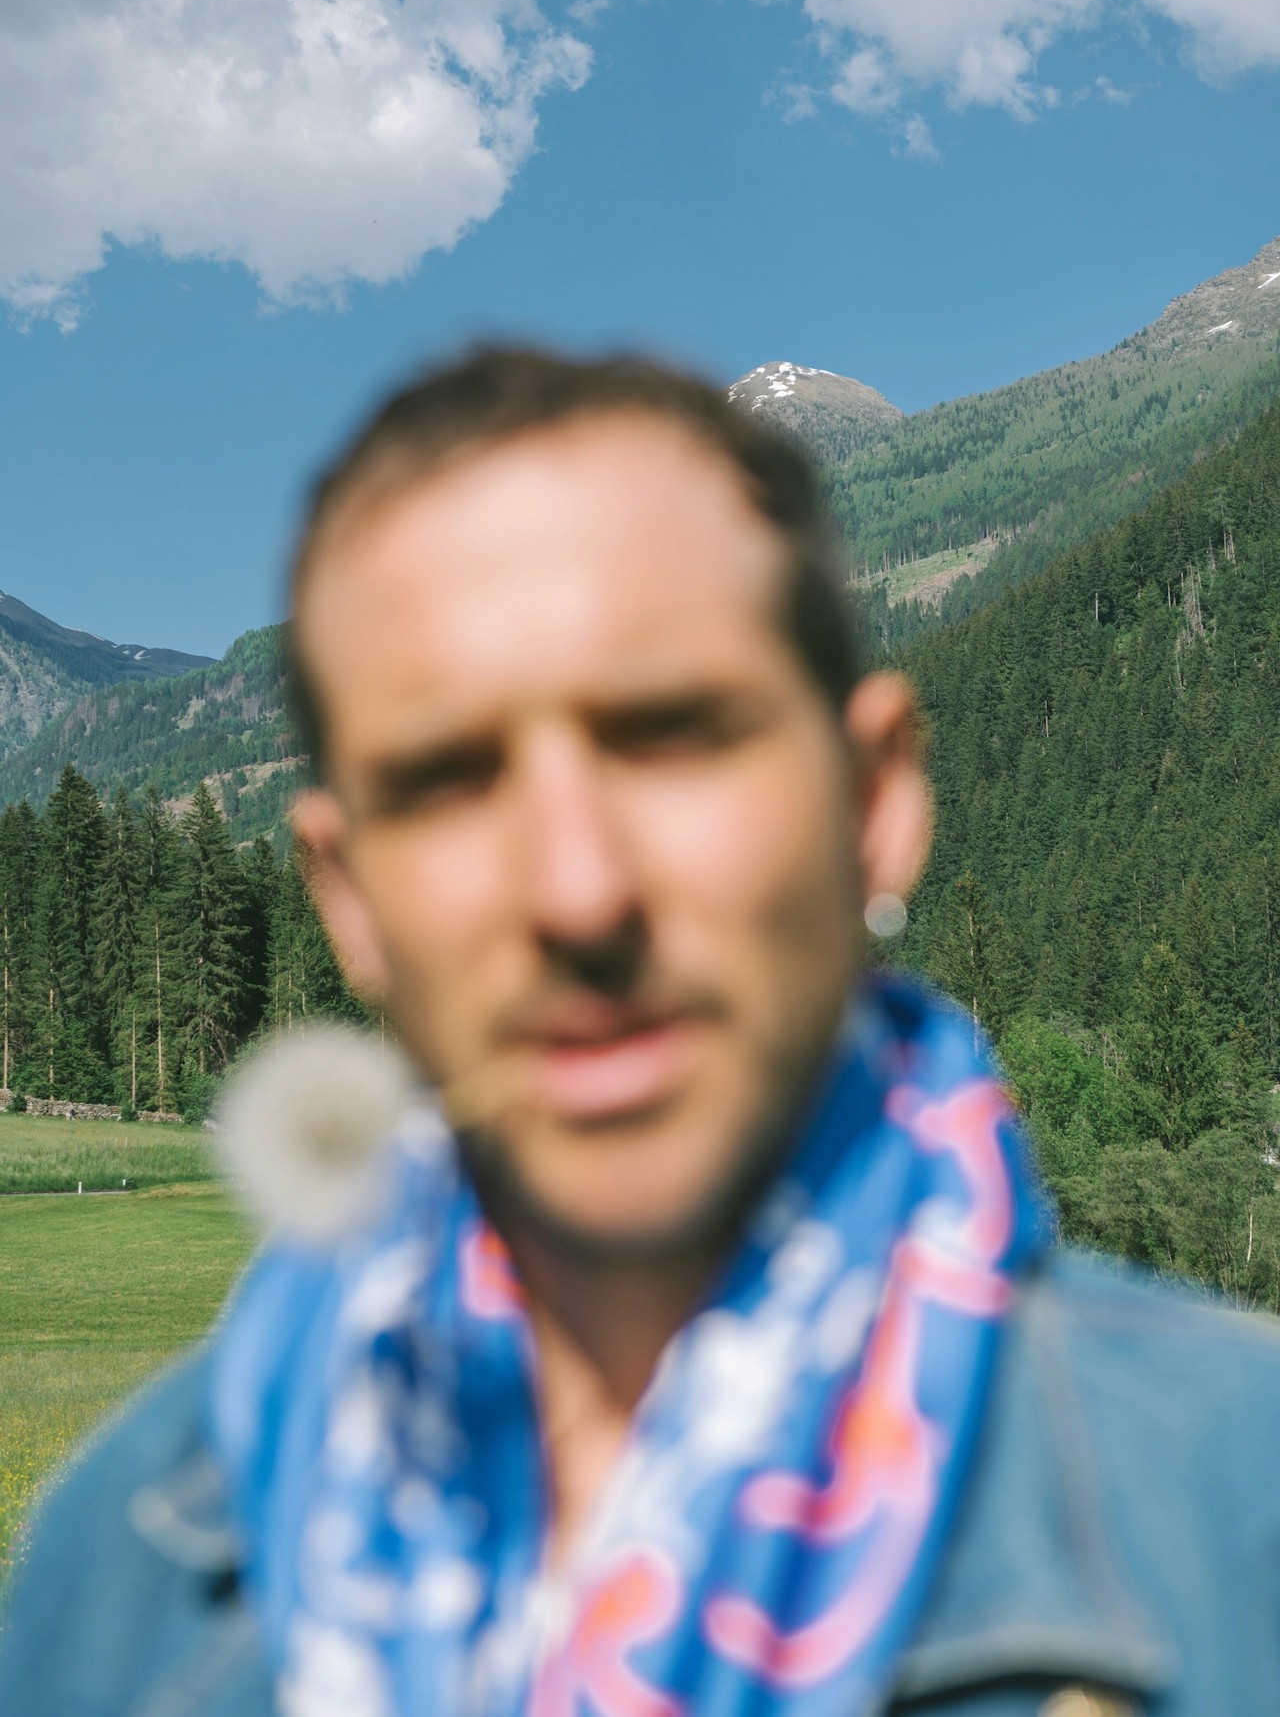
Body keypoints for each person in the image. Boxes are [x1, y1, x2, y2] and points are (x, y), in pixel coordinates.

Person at [3, 347, 1280, 1717]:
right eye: (449, 779)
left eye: (671, 735)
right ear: (350, 900)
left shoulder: (1230, 1514)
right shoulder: (122, 1574)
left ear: (875, 802)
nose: (577, 889)